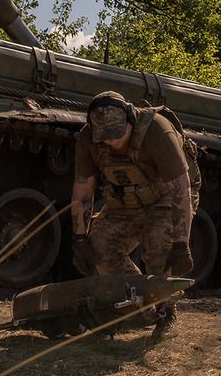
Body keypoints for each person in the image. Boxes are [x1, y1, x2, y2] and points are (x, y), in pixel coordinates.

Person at [70, 91, 197, 323]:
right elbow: (82, 189)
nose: (111, 141)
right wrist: (80, 239)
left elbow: (181, 188)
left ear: (130, 118)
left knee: (159, 245)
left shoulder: (157, 130)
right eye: (104, 136)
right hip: (125, 202)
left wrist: (181, 243)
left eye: (117, 133)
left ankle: (165, 310)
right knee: (98, 245)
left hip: (165, 197)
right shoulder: (88, 139)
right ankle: (139, 305)